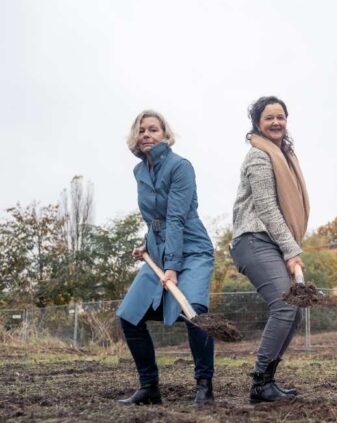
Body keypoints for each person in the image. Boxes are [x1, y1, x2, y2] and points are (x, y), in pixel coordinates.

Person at [117, 110, 215, 406]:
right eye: (142, 130)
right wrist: (145, 245)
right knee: (129, 316)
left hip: (192, 248)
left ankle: (204, 386)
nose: (146, 135)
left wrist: (171, 267)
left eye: (153, 130)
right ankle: (149, 387)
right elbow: (154, 220)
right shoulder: (140, 171)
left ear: (165, 135)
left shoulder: (180, 166)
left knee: (194, 312)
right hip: (158, 252)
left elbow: (175, 219)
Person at [230, 96, 310, 403]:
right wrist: (292, 250)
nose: (276, 122)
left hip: (272, 242)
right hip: (253, 239)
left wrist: (288, 247)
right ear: (257, 124)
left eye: (281, 117)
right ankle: (259, 382)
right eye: (269, 118)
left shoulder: (283, 155)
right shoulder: (259, 157)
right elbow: (265, 207)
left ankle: (268, 382)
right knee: (285, 305)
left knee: (295, 312)